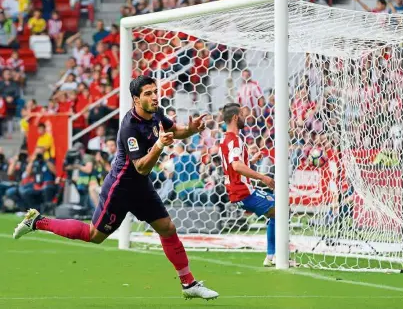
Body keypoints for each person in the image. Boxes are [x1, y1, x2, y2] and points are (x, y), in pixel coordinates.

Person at [13, 76, 219, 300]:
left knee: (167, 228)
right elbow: (141, 166)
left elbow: (174, 131)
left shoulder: (156, 112)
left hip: (141, 188)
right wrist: (159, 145)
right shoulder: (129, 127)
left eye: (154, 91)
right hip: (119, 189)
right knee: (95, 235)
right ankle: (37, 221)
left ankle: (188, 284)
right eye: (148, 93)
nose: (154, 96)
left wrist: (191, 130)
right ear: (136, 99)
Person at [219, 103, 277, 266]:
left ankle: (272, 255)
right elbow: (236, 166)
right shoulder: (234, 140)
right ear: (236, 117)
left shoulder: (225, 139)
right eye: (243, 115)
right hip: (243, 192)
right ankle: (275, 255)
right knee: (280, 211)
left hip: (238, 191)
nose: (246, 118)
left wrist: (250, 161)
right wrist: (262, 177)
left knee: (276, 211)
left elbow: (233, 165)